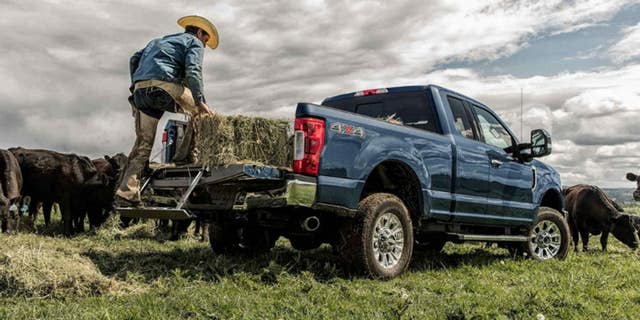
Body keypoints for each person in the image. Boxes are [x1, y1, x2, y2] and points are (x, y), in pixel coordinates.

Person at [115, 15, 218, 206]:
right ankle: (185, 157)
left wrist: (135, 84)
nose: (204, 45)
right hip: (164, 87)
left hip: (141, 92)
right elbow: (193, 71)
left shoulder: (157, 41)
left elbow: (134, 59)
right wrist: (200, 101)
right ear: (199, 32)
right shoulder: (193, 42)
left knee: (143, 144)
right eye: (206, 39)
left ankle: (127, 192)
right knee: (202, 114)